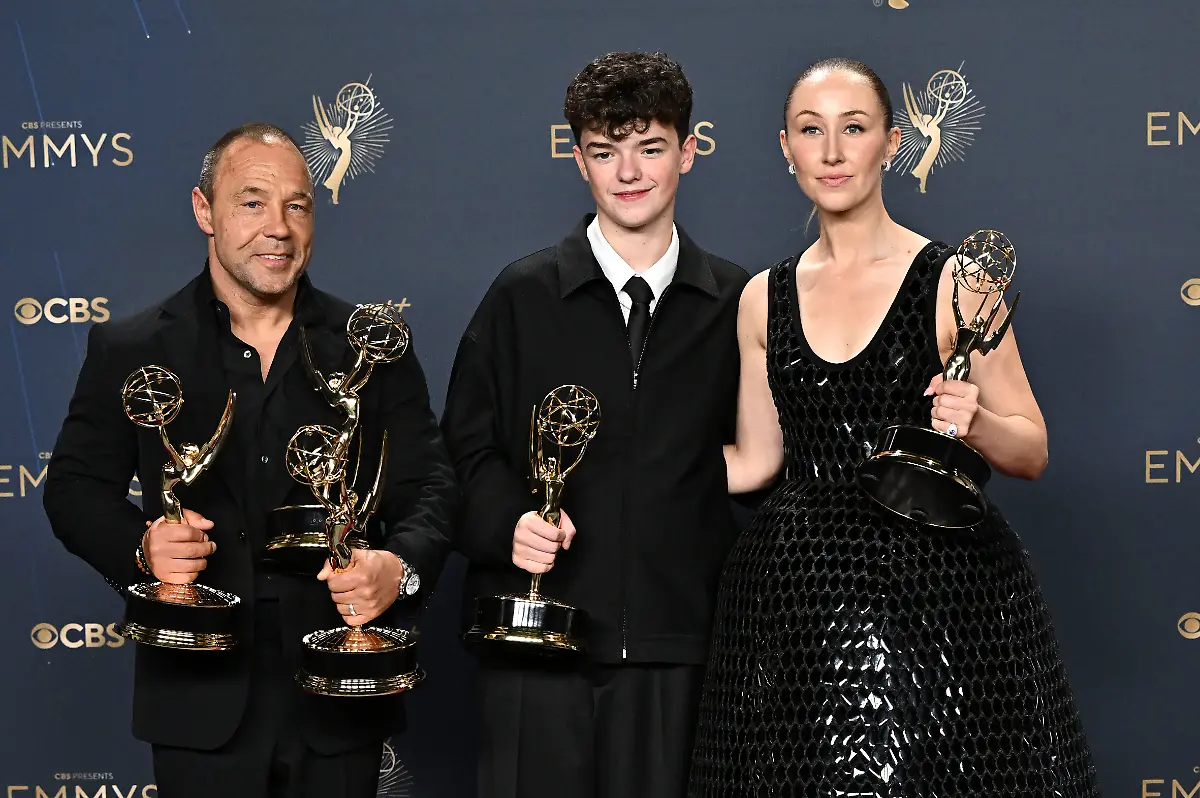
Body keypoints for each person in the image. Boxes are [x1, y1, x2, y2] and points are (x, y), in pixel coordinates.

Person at [686, 58, 1100, 796]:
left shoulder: (955, 279)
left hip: (936, 603)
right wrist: (636, 463)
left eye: (855, 128)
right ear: (787, 147)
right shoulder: (761, 298)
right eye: (813, 131)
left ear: (892, 143)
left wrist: (975, 422)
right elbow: (754, 461)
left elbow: (1031, 447)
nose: (834, 151)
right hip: (799, 604)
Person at [43, 122, 457, 798]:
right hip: (196, 690)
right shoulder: (131, 348)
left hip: (339, 690)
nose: (279, 228)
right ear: (204, 210)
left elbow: (431, 486)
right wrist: (143, 548)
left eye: (297, 205)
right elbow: (73, 490)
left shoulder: (372, 347)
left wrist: (398, 568)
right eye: (253, 202)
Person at [441, 51, 749, 798]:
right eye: (605, 152)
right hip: (536, 646)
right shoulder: (520, 295)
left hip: (680, 653)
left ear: (688, 150)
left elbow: (763, 469)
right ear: (578, 159)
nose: (629, 172)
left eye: (649, 147)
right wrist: (506, 522)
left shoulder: (739, 302)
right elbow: (461, 451)